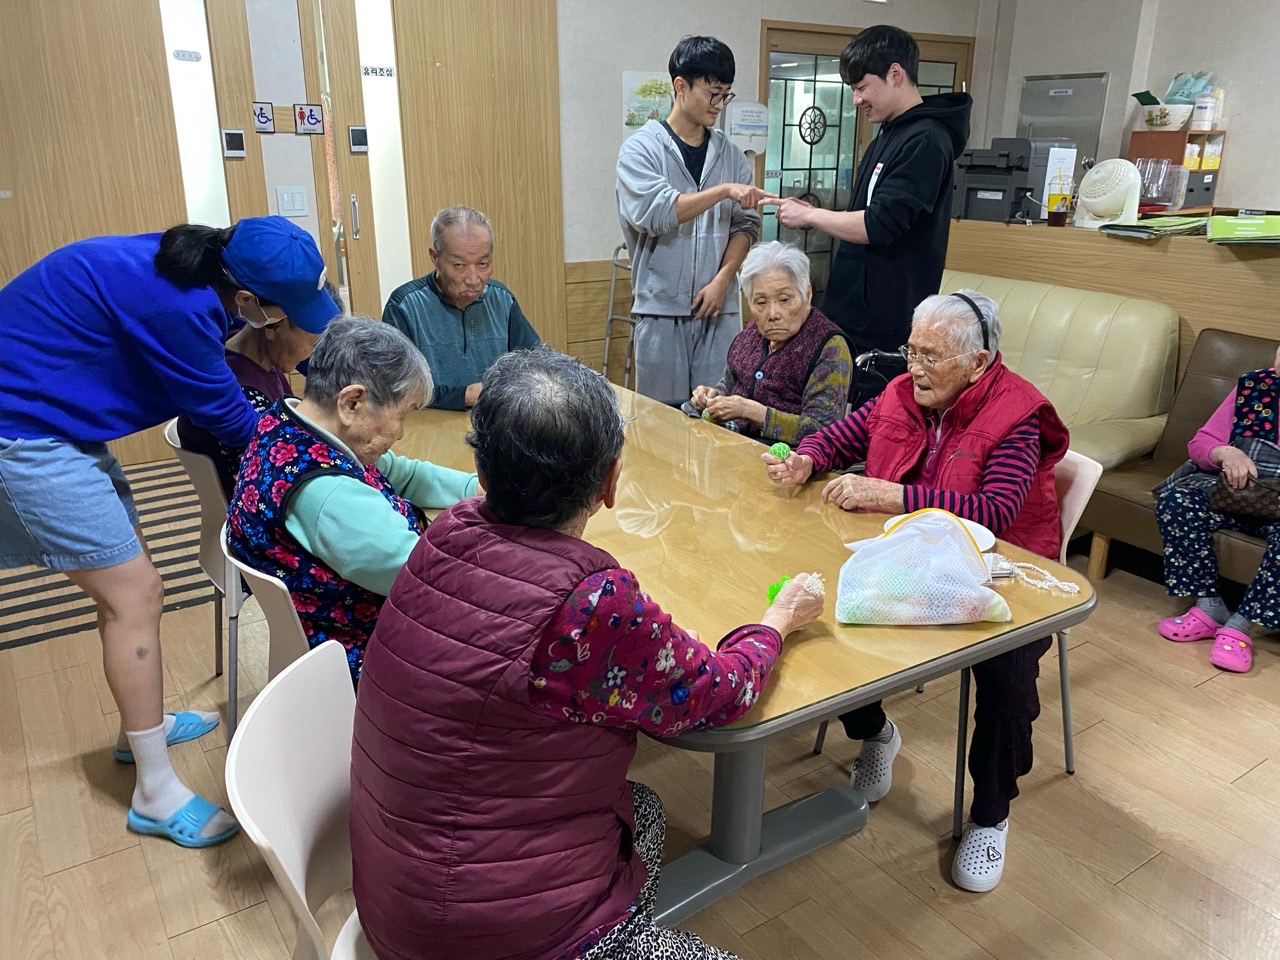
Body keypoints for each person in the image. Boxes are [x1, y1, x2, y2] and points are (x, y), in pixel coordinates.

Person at [350, 348, 823, 960]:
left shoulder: (444, 531)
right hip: (484, 938)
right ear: (610, 482)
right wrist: (777, 621)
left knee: (644, 807)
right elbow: (721, 694)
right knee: (640, 815)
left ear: (483, 473)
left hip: (399, 895)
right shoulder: (592, 605)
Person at [0, 215, 337, 848]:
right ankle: (154, 793)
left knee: (127, 589)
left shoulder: (204, 260)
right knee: (135, 595)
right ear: (248, 302)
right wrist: (321, 458)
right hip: (22, 428)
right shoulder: (178, 308)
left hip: (61, 419)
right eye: (288, 318)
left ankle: (140, 730)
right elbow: (232, 421)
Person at [762, 290, 1069, 893]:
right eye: (911, 351)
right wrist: (807, 458)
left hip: (999, 570)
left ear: (977, 363)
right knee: (825, 617)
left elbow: (996, 512)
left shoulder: (1017, 414)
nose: (914, 368)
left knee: (1007, 681)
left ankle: (990, 815)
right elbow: (842, 435)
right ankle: (876, 732)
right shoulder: (902, 393)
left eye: (931, 356)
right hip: (912, 558)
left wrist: (894, 496)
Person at [227, 317, 479, 685]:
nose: (401, 432)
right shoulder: (327, 494)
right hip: (364, 656)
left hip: (331, 623)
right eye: (402, 415)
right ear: (352, 403)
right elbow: (427, 579)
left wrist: (477, 489)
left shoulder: (288, 424)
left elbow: (402, 472)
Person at [763, 25, 972, 408]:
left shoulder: (927, 140)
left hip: (886, 323)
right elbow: (864, 216)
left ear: (895, 73)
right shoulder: (888, 134)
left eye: (862, 87)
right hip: (851, 316)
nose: (857, 99)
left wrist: (813, 217)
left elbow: (878, 225)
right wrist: (817, 213)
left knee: (871, 423)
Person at [616, 35, 767, 406]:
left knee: (718, 412)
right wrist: (722, 191)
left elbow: (746, 226)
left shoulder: (730, 155)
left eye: (726, 95)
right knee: (660, 418)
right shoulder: (641, 149)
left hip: (719, 309)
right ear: (680, 86)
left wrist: (722, 280)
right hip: (660, 310)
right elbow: (656, 213)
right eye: (712, 94)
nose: (719, 105)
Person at [1154, 342, 1280, 673]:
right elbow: (1200, 443)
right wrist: (1226, 453)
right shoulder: (1255, 387)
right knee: (1177, 501)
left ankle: (1242, 627)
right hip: (1232, 495)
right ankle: (1209, 607)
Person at [687, 240, 851, 444]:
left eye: (784, 300)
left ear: (807, 295)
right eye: (761, 302)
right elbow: (729, 384)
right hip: (731, 443)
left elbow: (822, 430)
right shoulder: (749, 334)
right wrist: (712, 396)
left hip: (786, 457)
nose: (773, 314)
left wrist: (753, 412)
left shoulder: (830, 348)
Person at [177, 292, 338, 499]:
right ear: (275, 326)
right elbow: (275, 470)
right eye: (313, 344)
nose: (310, 354)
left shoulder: (258, 358)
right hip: (255, 501)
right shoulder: (242, 392)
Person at [382, 205, 541, 410]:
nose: (474, 279)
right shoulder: (405, 305)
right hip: (428, 422)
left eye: (483, 264)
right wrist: (461, 396)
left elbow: (535, 363)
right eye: (459, 265)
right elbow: (395, 385)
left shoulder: (501, 299)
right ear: (435, 257)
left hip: (494, 421)